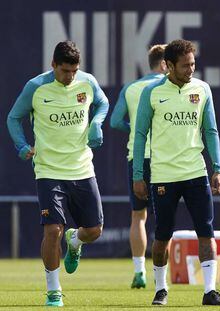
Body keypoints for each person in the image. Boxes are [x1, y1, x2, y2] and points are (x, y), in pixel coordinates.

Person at [7, 41, 109, 307]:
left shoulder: (87, 82)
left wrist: (97, 123)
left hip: (83, 168)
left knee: (95, 230)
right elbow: (13, 117)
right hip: (48, 170)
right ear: (53, 65)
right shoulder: (36, 87)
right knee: (52, 230)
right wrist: (20, 145)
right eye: (65, 71)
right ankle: (53, 290)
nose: (70, 76)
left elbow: (102, 103)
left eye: (74, 71)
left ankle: (75, 240)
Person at [133, 39, 220, 306]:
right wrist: (138, 174)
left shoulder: (202, 89)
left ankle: (210, 291)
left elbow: (211, 131)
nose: (190, 70)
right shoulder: (151, 93)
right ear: (169, 65)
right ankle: (161, 289)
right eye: (185, 65)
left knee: (206, 232)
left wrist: (217, 168)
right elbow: (140, 135)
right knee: (162, 236)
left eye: (193, 64)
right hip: (163, 176)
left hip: (196, 173)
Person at [110, 44, 168, 289]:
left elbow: (114, 121)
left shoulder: (131, 88)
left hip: (137, 156)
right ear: (166, 64)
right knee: (166, 217)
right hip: (164, 157)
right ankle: (162, 275)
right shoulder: (170, 86)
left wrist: (136, 129)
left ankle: (139, 271)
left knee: (138, 216)